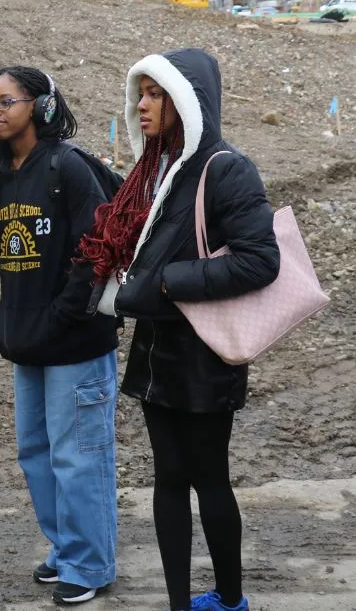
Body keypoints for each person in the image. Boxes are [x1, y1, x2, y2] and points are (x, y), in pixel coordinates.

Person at [76, 48, 280, 611]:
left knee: (210, 479)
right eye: (139, 93)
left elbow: (260, 260)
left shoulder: (226, 167)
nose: (140, 105)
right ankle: (180, 605)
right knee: (167, 480)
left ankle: (231, 599)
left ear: (187, 100)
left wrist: (168, 281)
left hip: (205, 349)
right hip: (157, 344)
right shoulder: (156, 170)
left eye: (154, 94)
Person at [0, 66, 120, 605]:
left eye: (6, 101)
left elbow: (98, 248)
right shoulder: (7, 172)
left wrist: (63, 315)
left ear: (40, 106)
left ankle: (90, 564)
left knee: (79, 455)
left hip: (72, 340)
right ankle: (67, 546)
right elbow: (19, 246)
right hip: (28, 339)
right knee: (36, 452)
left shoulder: (67, 166)